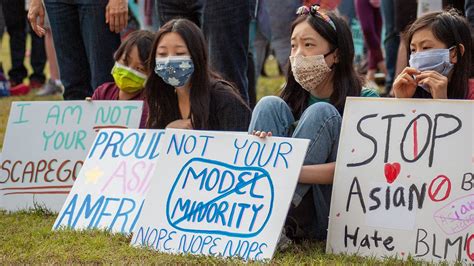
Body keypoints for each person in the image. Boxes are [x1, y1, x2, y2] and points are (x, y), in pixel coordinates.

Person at [248, 5, 378, 242]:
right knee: (268, 105)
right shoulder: (289, 96)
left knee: (322, 113)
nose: (298, 54)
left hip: (330, 214)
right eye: (294, 45)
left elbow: (360, 170)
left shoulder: (365, 99)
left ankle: (273, 223)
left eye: (308, 45)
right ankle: (257, 214)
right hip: (285, 205)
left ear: (336, 54)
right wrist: (263, 146)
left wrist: (285, 170)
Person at [145, 18, 251, 131]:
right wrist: (168, 132)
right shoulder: (163, 100)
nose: (169, 61)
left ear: (196, 55)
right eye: (162, 54)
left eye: (179, 53)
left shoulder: (224, 99)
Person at [28, 0, 126, 100]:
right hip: (57, 3)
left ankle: (106, 115)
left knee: (104, 80)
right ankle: (77, 115)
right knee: (71, 83)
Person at [393, 9, 473, 100]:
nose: (418, 56)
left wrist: (442, 103)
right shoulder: (409, 91)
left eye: (426, 47)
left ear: (454, 54)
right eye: (413, 50)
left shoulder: (471, 93)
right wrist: (401, 102)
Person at [90, 30, 155, 128]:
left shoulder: (148, 105)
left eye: (140, 69)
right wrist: (87, 110)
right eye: (125, 62)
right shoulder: (103, 92)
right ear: (117, 56)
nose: (128, 72)